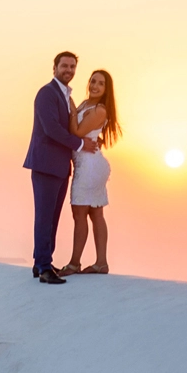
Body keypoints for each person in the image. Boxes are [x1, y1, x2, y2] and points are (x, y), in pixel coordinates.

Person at [22, 52, 99, 284]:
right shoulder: (47, 93)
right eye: (64, 65)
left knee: (53, 217)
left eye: (72, 66)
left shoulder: (65, 95)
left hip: (60, 166)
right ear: (54, 67)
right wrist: (80, 144)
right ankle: (45, 268)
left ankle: (41, 262)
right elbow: (51, 128)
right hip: (46, 164)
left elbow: (71, 127)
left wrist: (90, 139)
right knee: (45, 216)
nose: (69, 70)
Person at [58, 69, 121, 275]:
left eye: (100, 83)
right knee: (95, 213)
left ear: (106, 89)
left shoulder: (100, 109)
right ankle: (101, 263)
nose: (95, 86)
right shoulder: (87, 104)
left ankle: (75, 263)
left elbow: (77, 132)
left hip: (90, 166)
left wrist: (73, 110)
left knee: (80, 213)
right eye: (93, 81)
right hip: (87, 163)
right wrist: (76, 109)